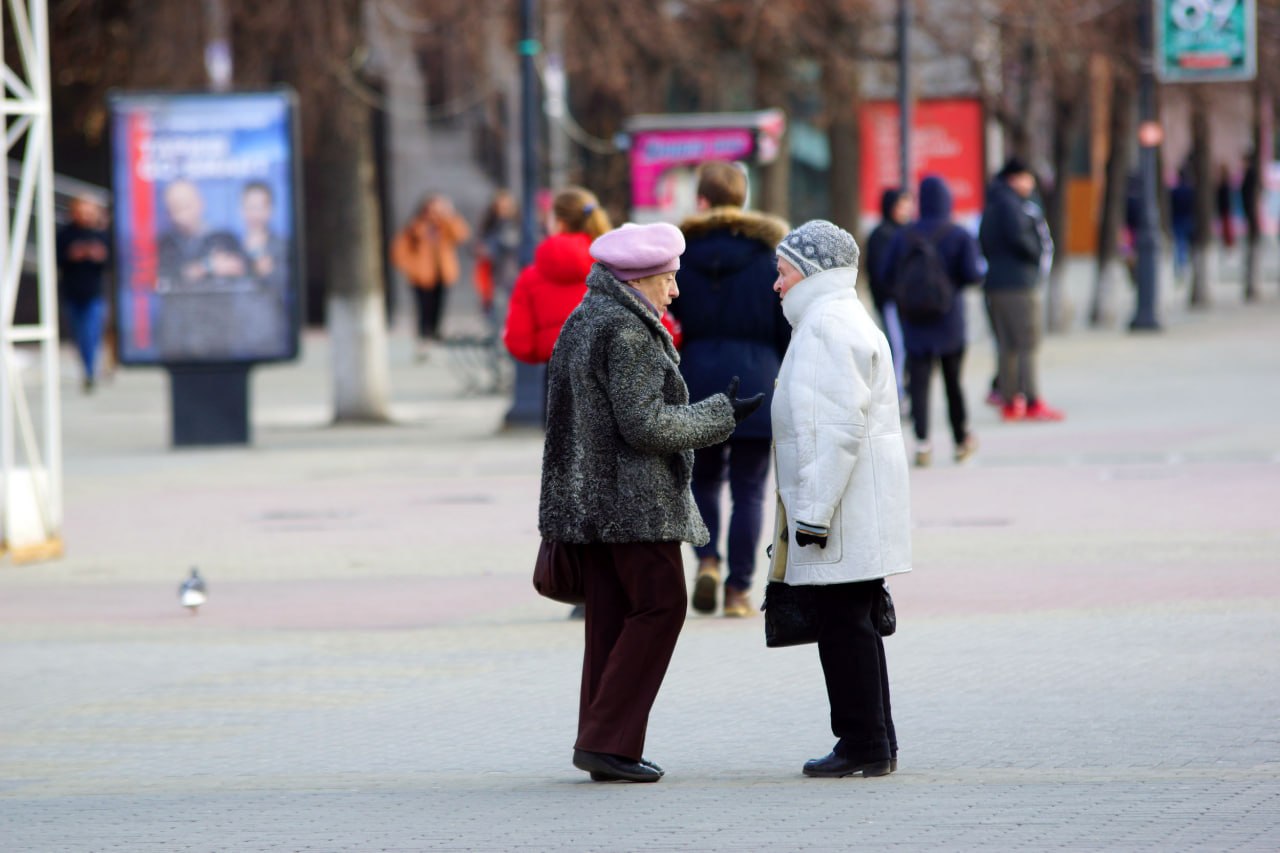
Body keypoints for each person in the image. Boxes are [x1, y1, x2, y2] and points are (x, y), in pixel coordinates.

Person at [540, 222, 763, 783]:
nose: (675, 290)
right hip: (634, 503)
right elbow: (645, 425)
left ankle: (603, 743)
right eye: (669, 279)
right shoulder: (630, 332)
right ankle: (606, 741)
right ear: (641, 279)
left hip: (589, 500)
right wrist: (719, 416)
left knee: (611, 622)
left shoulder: (586, 317)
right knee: (662, 606)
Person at [770, 220, 912, 778]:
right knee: (856, 623)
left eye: (782, 273)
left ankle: (862, 743)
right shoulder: (839, 318)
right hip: (855, 508)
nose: (776, 286)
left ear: (808, 272)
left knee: (844, 627)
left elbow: (832, 432)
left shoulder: (825, 327)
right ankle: (876, 740)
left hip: (841, 511)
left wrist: (811, 516)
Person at [671, 161, 789, 617]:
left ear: (701, 200)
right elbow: (786, 329)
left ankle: (707, 561)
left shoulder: (679, 259)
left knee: (701, 481)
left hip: (695, 381)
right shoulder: (767, 258)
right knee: (750, 489)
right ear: (742, 199)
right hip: (756, 383)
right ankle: (739, 590)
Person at [880, 175, 984, 467]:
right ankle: (961, 439)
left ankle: (923, 444)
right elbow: (974, 275)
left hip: (914, 322)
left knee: (920, 384)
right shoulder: (959, 234)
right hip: (950, 320)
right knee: (954, 383)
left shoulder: (904, 235)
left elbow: (886, 275)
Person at [978, 157, 1065, 423]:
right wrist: (1034, 253)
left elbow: (983, 241)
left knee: (1006, 345)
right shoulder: (1014, 206)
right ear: (1014, 178)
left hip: (995, 283)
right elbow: (1022, 238)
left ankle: (1009, 401)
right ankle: (1032, 400)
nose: (1030, 184)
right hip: (1018, 284)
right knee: (1027, 343)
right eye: (1027, 178)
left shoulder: (992, 204)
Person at [502, 187, 611, 365]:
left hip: (556, 369)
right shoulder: (615, 266)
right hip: (609, 371)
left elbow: (520, 343)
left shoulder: (530, 276)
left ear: (559, 223)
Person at [391, 194, 470, 358]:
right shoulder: (414, 227)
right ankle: (423, 341)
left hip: (442, 274)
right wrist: (411, 268)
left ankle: (435, 337)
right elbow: (399, 251)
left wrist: (449, 215)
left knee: (438, 309)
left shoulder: (445, 225)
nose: (434, 213)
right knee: (423, 309)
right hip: (421, 277)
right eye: (431, 209)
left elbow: (462, 235)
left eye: (438, 209)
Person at [864, 187, 914, 412]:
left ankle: (904, 393)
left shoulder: (907, 232)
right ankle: (896, 396)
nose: (905, 210)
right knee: (897, 349)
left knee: (906, 349)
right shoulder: (882, 235)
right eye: (901, 205)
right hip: (891, 303)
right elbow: (879, 274)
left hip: (908, 304)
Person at [56, 195, 111, 391]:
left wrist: (98, 255)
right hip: (72, 292)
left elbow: (112, 262)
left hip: (94, 293)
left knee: (92, 333)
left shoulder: (101, 234)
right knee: (79, 335)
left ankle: (90, 370)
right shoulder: (66, 234)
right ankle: (87, 368)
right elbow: (57, 258)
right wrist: (72, 254)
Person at [156, 179, 247, 288]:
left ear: (200, 203)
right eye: (176, 208)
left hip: (219, 302)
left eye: (187, 206)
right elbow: (168, 277)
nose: (183, 215)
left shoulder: (224, 239)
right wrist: (208, 266)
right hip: (181, 302)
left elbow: (240, 268)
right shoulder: (166, 244)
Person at [476, 189, 522, 327]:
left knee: (512, 308)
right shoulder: (490, 224)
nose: (503, 210)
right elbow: (478, 243)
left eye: (506, 206)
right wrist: (482, 249)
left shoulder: (519, 224)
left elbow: (518, 245)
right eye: (500, 206)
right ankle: (496, 333)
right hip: (493, 272)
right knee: (493, 307)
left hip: (513, 272)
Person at [1170, 165, 1195, 279]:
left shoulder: (1175, 191)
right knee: (1187, 245)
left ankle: (1180, 266)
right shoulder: (1191, 191)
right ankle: (1185, 266)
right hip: (1188, 220)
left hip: (1178, 221)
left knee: (1179, 245)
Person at [1215, 164, 1236, 249]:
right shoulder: (1224, 184)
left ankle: (1229, 243)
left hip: (1225, 208)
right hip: (1224, 208)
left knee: (1227, 226)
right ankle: (1227, 242)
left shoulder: (1225, 184)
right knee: (1225, 227)